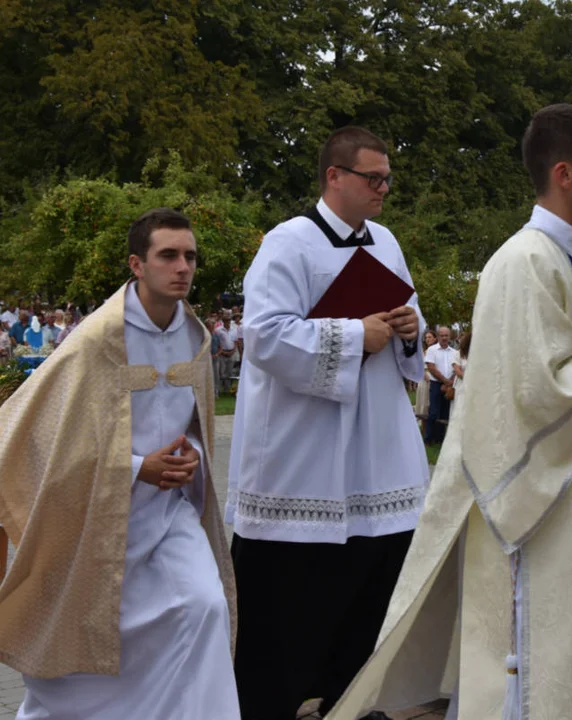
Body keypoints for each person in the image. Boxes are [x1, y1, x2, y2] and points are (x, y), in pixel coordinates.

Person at [328, 104, 572, 720]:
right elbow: (531, 396)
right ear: (564, 173)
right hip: (538, 505)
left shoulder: (568, 258)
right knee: (545, 661)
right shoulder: (525, 263)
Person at [0, 208, 238, 718]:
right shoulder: (95, 341)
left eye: (190, 256)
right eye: (168, 255)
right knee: (83, 646)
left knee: (205, 606)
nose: (183, 267)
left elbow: (197, 419)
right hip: (100, 522)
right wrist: (134, 467)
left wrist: (191, 453)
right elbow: (47, 436)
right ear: (137, 263)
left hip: (171, 510)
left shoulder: (195, 335)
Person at [227, 126, 428, 720]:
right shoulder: (287, 244)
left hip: (376, 452)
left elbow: (407, 313)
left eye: (388, 178)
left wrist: (408, 330)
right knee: (289, 614)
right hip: (304, 458)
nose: (383, 189)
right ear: (334, 177)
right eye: (373, 178)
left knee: (366, 602)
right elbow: (263, 335)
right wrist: (353, 334)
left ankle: (352, 703)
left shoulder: (387, 242)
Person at [413, 328, 437, 431]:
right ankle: (424, 431)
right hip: (425, 379)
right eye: (426, 337)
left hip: (434, 378)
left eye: (430, 337)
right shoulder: (424, 352)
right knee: (423, 405)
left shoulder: (435, 351)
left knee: (431, 405)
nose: (428, 339)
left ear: (435, 339)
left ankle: (433, 431)